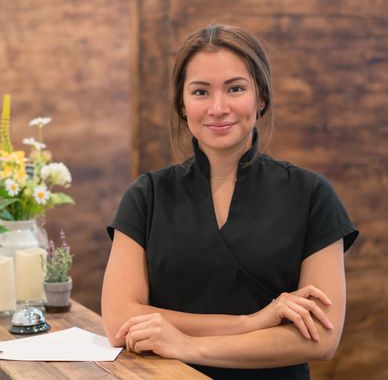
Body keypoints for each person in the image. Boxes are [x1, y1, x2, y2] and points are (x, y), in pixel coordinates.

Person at [102, 23, 359, 379]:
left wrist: (186, 344)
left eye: (235, 88)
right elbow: (120, 319)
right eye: (201, 92)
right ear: (182, 103)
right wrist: (251, 322)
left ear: (262, 97)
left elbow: (320, 339)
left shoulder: (312, 194)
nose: (218, 107)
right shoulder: (146, 196)